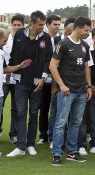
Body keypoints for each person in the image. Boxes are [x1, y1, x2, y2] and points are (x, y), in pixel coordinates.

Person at [6, 11, 53, 157]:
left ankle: (30, 144)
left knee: (33, 114)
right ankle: (20, 146)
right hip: (20, 81)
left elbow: (48, 59)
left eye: (44, 24)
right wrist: (11, 73)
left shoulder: (46, 37)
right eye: (40, 24)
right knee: (20, 113)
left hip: (37, 83)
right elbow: (13, 54)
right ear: (32, 23)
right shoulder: (19, 33)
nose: (43, 27)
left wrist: (43, 77)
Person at [49, 16, 92, 166]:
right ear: (78, 28)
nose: (88, 33)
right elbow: (52, 66)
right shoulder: (63, 44)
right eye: (86, 30)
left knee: (76, 123)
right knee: (61, 122)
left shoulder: (85, 45)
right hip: (67, 91)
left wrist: (89, 86)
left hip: (81, 91)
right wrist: (61, 85)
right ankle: (56, 153)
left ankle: (72, 152)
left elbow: (86, 67)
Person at [0, 28, 32, 155]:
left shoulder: (1, 53)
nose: (6, 43)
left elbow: (6, 68)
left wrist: (19, 66)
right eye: (4, 40)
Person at [78, 27, 95, 155]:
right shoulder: (88, 51)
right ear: (92, 38)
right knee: (92, 120)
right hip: (91, 92)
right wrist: (90, 86)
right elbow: (85, 70)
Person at [48, 17, 75, 149]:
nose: (70, 36)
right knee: (56, 114)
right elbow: (53, 66)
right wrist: (55, 86)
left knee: (72, 118)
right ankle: (53, 139)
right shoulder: (57, 41)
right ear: (65, 31)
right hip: (59, 86)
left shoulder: (79, 44)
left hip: (73, 87)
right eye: (68, 33)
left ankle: (69, 144)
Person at [37, 15, 61, 145]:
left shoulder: (61, 40)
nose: (57, 27)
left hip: (56, 80)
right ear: (48, 25)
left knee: (55, 110)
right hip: (44, 79)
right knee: (43, 108)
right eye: (54, 24)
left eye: (58, 24)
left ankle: (53, 135)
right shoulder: (42, 39)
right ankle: (43, 135)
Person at [1, 14, 24, 144]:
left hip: (18, 79)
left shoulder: (24, 40)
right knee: (1, 105)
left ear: (22, 26)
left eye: (19, 25)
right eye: (14, 25)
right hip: (3, 79)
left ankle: (13, 133)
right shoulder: (4, 39)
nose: (16, 27)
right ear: (11, 25)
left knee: (16, 108)